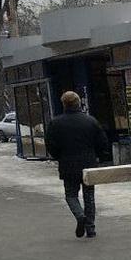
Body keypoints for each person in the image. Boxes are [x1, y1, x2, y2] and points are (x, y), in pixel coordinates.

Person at [44, 91, 108, 239]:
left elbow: (51, 144)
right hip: (89, 164)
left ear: (64, 104)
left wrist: (58, 156)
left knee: (71, 195)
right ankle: (90, 228)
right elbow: (102, 142)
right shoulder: (90, 121)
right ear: (78, 103)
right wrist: (98, 156)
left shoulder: (56, 123)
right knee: (89, 196)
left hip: (68, 164)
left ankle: (80, 215)